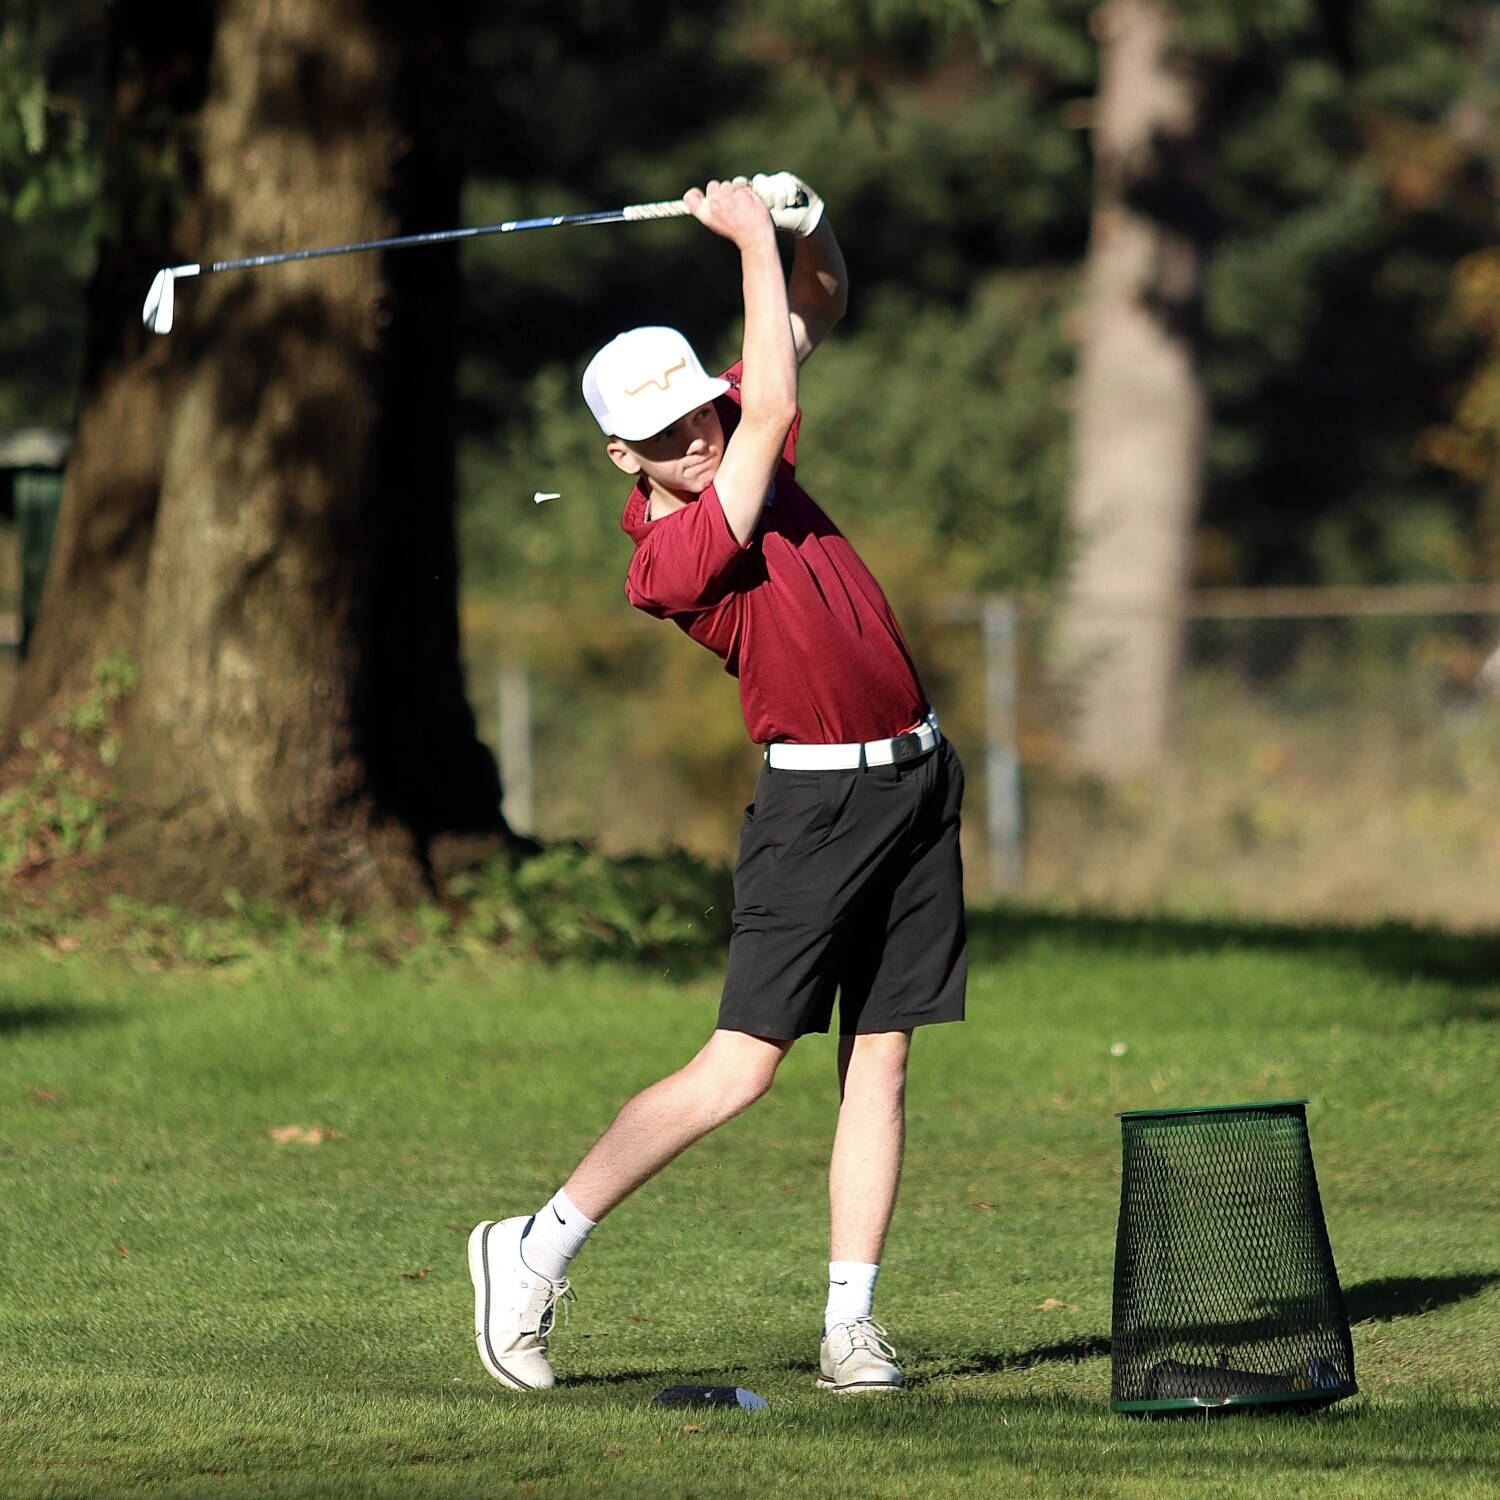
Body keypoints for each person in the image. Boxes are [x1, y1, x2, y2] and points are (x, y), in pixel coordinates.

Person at [468, 172, 967, 1396]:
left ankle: (850, 1324)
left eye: (702, 414)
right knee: (741, 1068)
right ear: (618, 456)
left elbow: (821, 309)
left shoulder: (728, 421)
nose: (698, 438)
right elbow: (771, 399)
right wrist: (744, 236)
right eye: (666, 436)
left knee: (885, 1058)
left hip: (914, 779)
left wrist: (804, 224)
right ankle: (532, 1250)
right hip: (815, 809)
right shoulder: (675, 553)